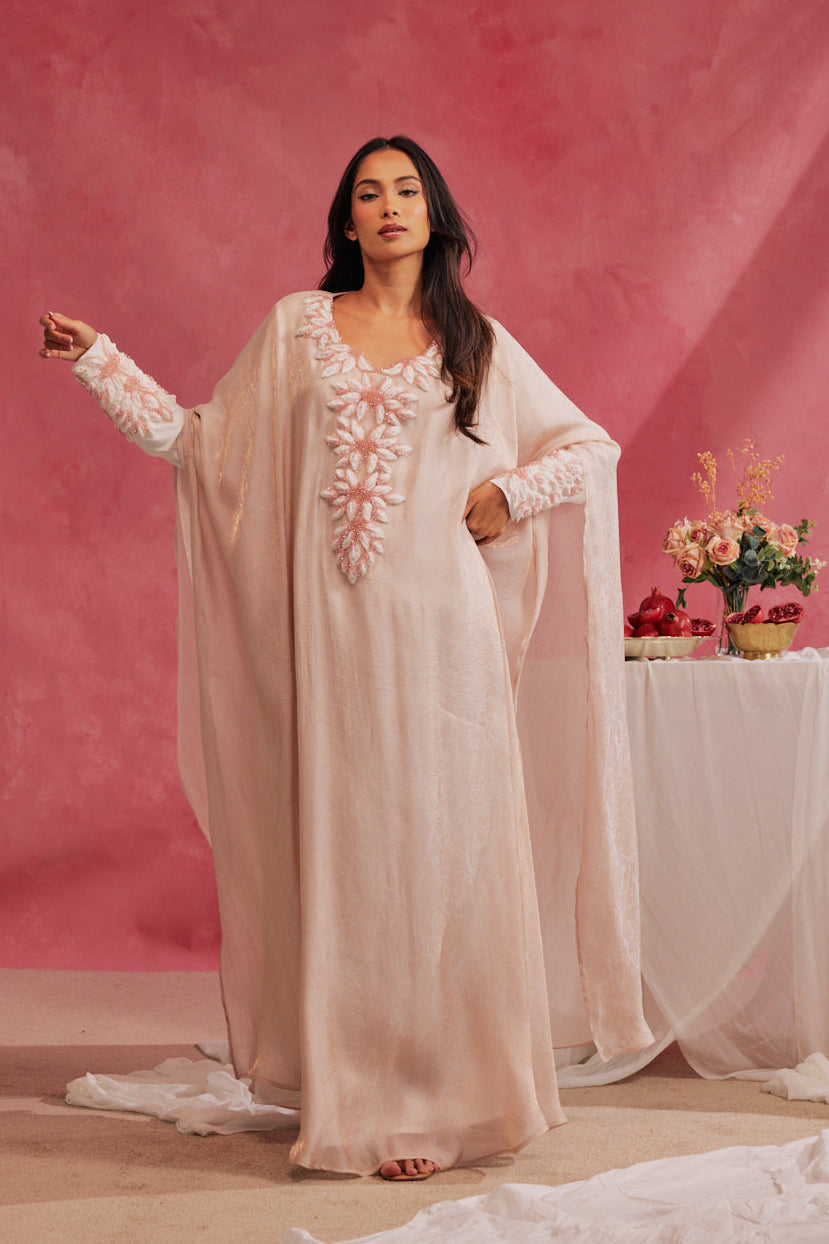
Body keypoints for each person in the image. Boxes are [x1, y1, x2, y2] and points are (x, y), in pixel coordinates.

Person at [39, 136, 652, 1180]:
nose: (389, 205)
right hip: (333, 651)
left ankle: (436, 1099)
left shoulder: (476, 344)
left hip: (446, 642)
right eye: (368, 193)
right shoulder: (297, 329)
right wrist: (102, 361)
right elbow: (199, 444)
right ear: (347, 221)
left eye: (407, 189)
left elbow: (590, 446)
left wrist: (511, 492)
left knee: (442, 861)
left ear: (435, 213)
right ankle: (356, 1094)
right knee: (351, 860)